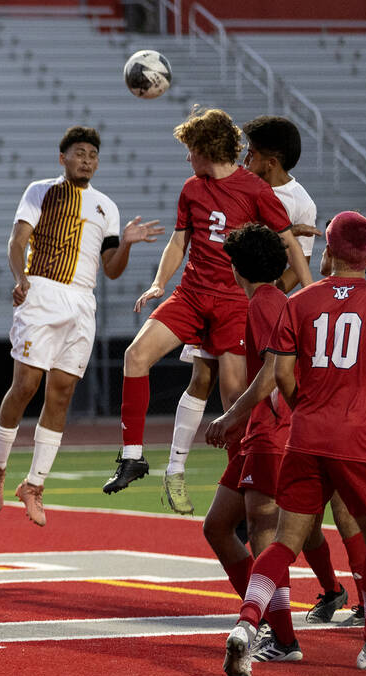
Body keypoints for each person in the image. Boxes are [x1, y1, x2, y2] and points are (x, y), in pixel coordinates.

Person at [223, 212, 366, 676]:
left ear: (328, 250)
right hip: (358, 439)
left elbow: (281, 373)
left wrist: (304, 407)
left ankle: (248, 623)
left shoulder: (297, 301)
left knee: (284, 540)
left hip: (304, 437)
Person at [103, 107, 311, 495]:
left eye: (191, 149)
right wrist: (158, 283)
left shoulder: (256, 190)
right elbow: (179, 241)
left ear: (207, 148)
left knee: (234, 397)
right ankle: (133, 456)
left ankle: (243, 483)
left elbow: (290, 243)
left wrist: (312, 290)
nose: (187, 157)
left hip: (234, 302)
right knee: (136, 356)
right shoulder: (192, 188)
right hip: (192, 294)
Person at [0, 126, 163, 526]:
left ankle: (33, 484)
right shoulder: (40, 190)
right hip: (42, 290)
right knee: (26, 384)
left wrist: (127, 242)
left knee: (61, 394)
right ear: (62, 157)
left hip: (83, 300)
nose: (87, 160)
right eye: (79, 152)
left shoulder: (107, 207)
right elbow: (17, 241)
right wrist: (20, 277)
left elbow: (112, 270)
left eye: (93, 154)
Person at [162, 115, 320, 515]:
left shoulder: (298, 201)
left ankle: (258, 473)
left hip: (257, 303)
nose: (245, 156)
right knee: (203, 376)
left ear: (271, 159)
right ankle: (177, 469)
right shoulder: (230, 183)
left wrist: (266, 295)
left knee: (249, 390)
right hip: (218, 294)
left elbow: (297, 259)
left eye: (253, 151)